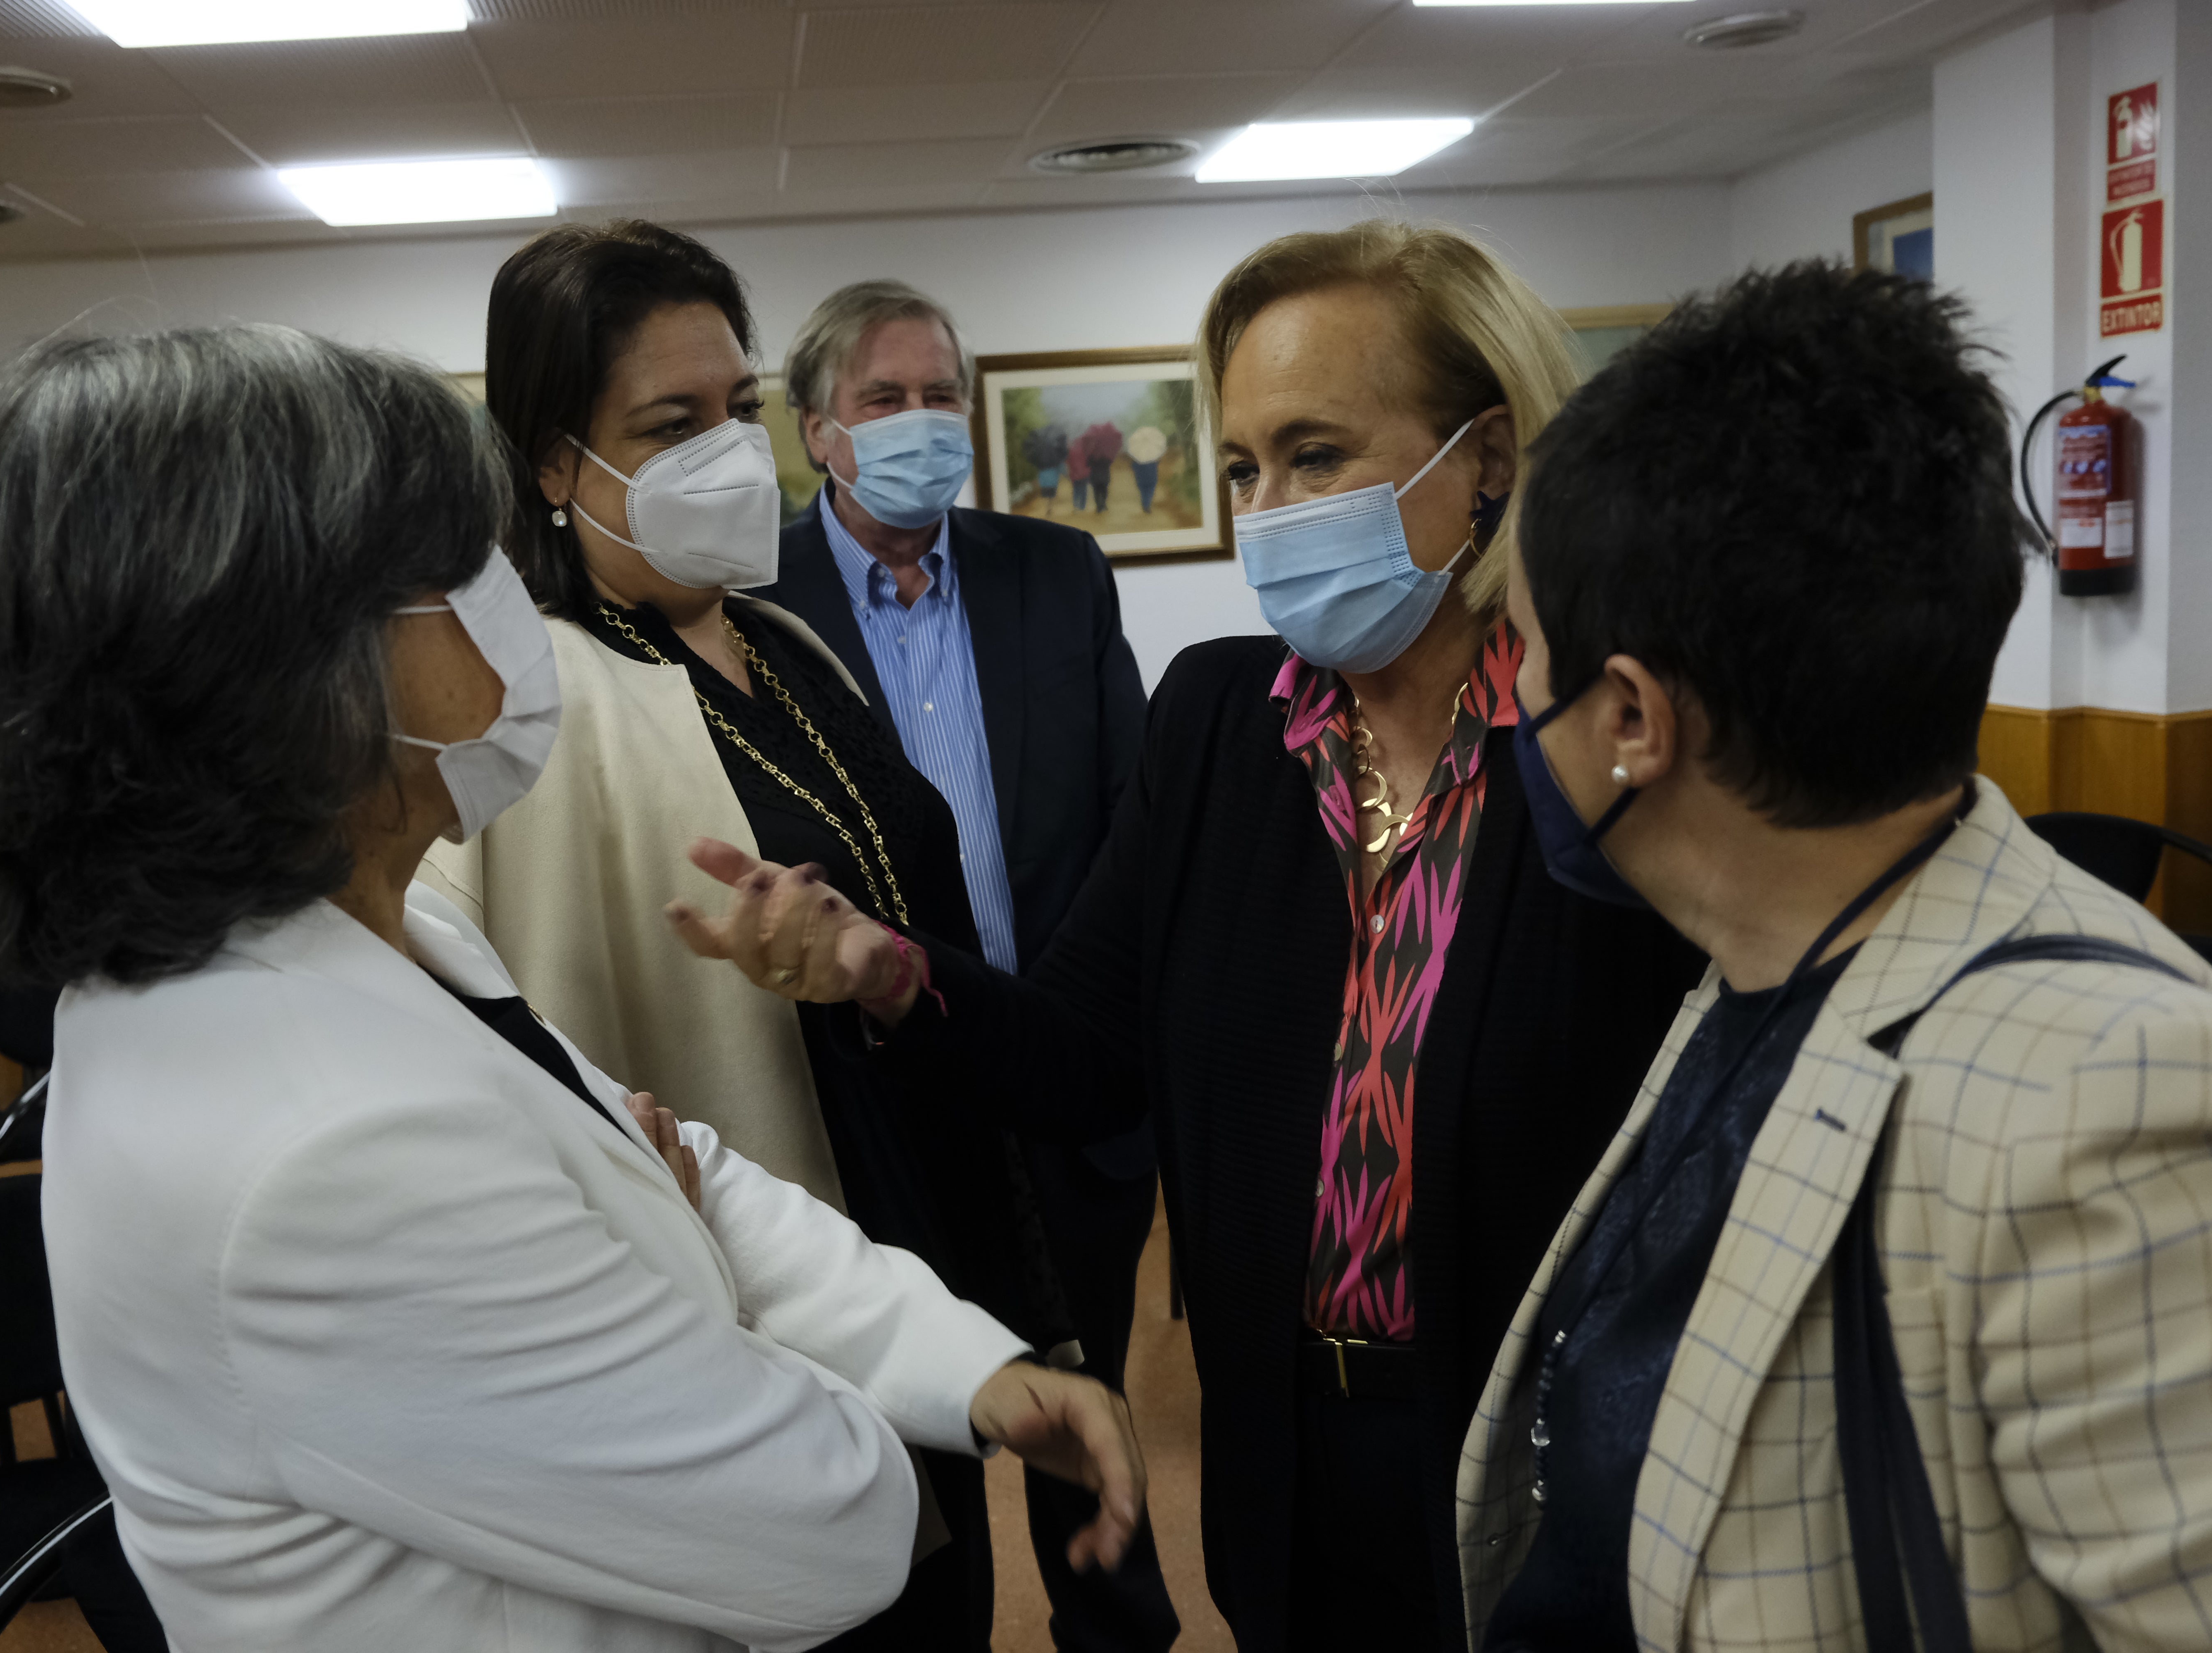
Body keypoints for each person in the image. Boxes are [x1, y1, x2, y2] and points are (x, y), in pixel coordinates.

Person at [0, 323, 1145, 1653]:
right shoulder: (330, 1152)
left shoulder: (346, 949)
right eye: (455, 568)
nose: (504, 596)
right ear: (287, 671)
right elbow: (823, 1525)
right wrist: (675, 1275)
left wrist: (960, 1364)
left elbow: (691, 1168)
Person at [668, 219, 1705, 1650]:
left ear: (1491, 456)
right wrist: (882, 969)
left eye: (1318, 455)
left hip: (1557, 1456)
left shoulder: (1614, 741)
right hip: (1290, 1448)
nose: (1267, 509)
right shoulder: (1225, 724)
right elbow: (1090, 1054)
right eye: (1242, 467)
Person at [1464, 263, 2212, 1650]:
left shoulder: (2128, 1114)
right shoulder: (1762, 957)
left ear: (1630, 719)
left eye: (1523, 654)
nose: (1509, 703)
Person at [424, 220, 1072, 1649]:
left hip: (928, 1208)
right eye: (669, 426)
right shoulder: (530, 705)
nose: (727, 455)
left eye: (739, 413)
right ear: (548, 461)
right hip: (768, 1259)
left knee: (942, 1591)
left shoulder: (790, 644)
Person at [760, 278, 1174, 1651]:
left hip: (1057, 1082)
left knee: (1087, 1408)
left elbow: (1128, 821)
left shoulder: (1053, 572)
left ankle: (1114, 1630)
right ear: (823, 432)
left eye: (942, 395)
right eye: (887, 400)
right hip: (878, 1102)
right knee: (899, 1436)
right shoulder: (754, 605)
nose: (923, 422)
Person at [1124, 424, 1166, 514]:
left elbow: (1133, 468)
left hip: (1141, 479)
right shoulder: (1153, 457)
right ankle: (1147, 505)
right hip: (1152, 478)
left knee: (1143, 491)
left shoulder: (1137, 458)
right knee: (1150, 490)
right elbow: (1156, 465)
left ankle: (1145, 504)